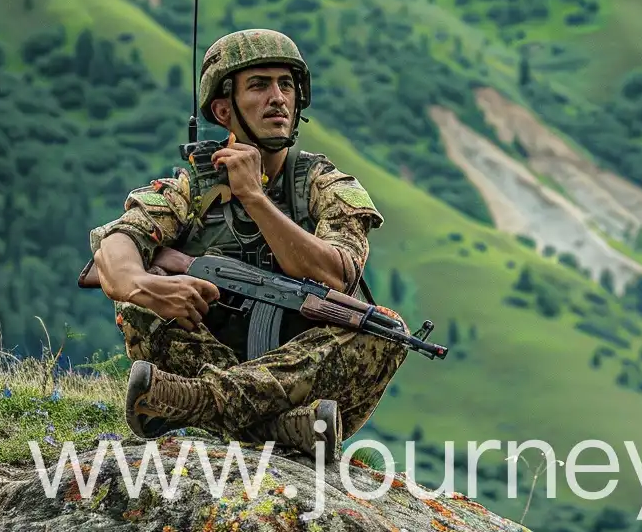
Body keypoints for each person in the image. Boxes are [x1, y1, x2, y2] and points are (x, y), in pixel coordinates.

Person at [88, 29, 406, 446]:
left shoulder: (325, 184)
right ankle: (278, 427)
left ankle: (198, 405)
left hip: (297, 370)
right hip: (203, 354)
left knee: (383, 331)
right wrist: (143, 285)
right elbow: (116, 243)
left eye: (286, 85)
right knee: (140, 303)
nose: (278, 98)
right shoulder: (193, 187)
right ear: (223, 109)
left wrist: (254, 197)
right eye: (259, 85)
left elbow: (337, 274)